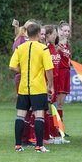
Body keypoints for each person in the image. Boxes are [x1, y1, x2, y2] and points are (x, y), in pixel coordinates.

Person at [9, 23, 54, 153]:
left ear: (27, 33)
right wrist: (50, 85)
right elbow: (49, 70)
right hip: (38, 87)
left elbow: (12, 66)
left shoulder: (20, 48)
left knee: (20, 115)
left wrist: (22, 71)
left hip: (24, 87)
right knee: (39, 115)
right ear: (39, 33)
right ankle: (39, 146)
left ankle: (18, 145)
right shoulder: (43, 48)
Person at [56, 21, 72, 136]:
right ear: (59, 30)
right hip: (59, 73)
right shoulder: (56, 44)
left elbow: (68, 59)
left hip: (66, 73)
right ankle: (56, 129)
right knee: (56, 103)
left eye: (68, 31)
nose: (66, 33)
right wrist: (58, 48)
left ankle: (60, 129)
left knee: (61, 104)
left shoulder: (68, 44)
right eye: (64, 30)